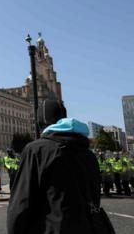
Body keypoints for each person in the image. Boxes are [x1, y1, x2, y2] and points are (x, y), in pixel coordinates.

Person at [7, 100, 101, 234]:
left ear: (40, 123)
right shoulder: (88, 154)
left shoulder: (36, 150)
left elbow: (21, 203)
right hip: (88, 227)